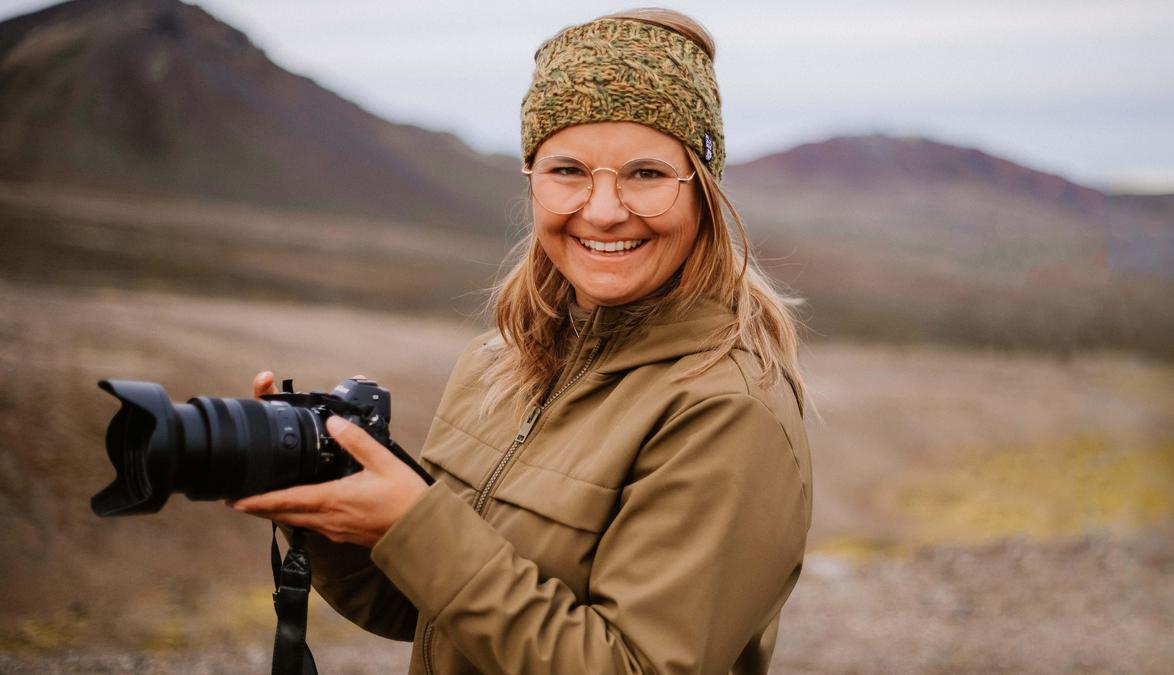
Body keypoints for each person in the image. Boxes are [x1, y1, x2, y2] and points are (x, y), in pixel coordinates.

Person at [233, 8, 813, 674]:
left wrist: (415, 525)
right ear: (531, 178)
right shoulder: (498, 364)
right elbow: (422, 609)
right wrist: (326, 502)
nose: (602, 209)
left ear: (702, 190)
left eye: (646, 174)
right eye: (566, 169)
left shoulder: (728, 412)